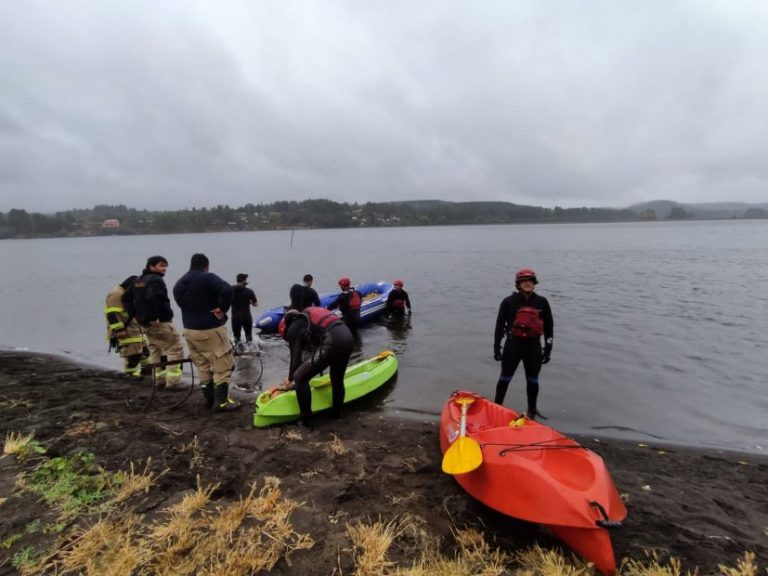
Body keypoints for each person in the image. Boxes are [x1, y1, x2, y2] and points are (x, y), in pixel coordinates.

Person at [173, 253, 240, 412]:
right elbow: (227, 289)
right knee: (222, 365)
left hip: (189, 330)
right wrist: (222, 309)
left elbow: (180, 303)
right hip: (209, 329)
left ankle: (209, 400)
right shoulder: (208, 277)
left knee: (203, 365)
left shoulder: (179, 283)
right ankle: (221, 402)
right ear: (206, 266)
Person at [278, 306, 354, 428]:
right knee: (337, 379)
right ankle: (336, 415)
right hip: (347, 336)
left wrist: (290, 379)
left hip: (332, 340)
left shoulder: (293, 328)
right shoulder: (307, 317)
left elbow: (295, 360)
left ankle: (305, 421)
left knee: (300, 378)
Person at [493, 267, 554, 419]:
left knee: (533, 380)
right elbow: (499, 326)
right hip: (513, 345)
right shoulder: (508, 302)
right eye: (523, 281)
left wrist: (548, 349)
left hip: (533, 346)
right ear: (518, 284)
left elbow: (549, 326)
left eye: (530, 281)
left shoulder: (542, 302)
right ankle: (496, 408)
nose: (527, 283)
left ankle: (532, 411)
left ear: (534, 283)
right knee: (505, 378)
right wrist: (496, 346)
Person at [130, 256, 184, 388]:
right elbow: (151, 298)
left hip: (145, 323)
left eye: (165, 266)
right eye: (161, 265)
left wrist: (136, 315)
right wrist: (154, 317)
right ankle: (173, 382)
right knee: (174, 348)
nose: (164, 269)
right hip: (161, 322)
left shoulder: (138, 281)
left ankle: (158, 379)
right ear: (151, 266)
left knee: (155, 349)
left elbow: (127, 298)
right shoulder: (156, 280)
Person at [105, 275, 145, 378]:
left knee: (144, 351)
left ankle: (146, 370)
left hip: (133, 326)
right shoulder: (116, 294)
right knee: (133, 353)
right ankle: (130, 373)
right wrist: (119, 329)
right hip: (124, 329)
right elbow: (112, 313)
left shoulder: (126, 293)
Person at [231, 273, 258, 349]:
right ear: (244, 281)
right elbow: (256, 304)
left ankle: (238, 352)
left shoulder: (231, 291)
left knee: (237, 337)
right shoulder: (249, 291)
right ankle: (250, 352)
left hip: (235, 317)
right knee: (249, 337)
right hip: (246, 317)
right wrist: (250, 302)